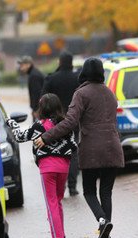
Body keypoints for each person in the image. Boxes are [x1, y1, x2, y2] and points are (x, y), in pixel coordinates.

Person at [35, 58, 124, 238]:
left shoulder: (81, 94)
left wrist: (46, 136)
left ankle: (102, 220)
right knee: (106, 192)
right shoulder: (110, 93)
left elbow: (69, 123)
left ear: (84, 72)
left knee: (89, 191)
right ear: (101, 73)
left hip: (92, 149)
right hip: (113, 147)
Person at [6, 93, 77, 238]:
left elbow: (19, 137)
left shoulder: (39, 126)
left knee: (51, 203)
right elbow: (72, 144)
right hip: (64, 167)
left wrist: (11, 122)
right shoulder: (65, 125)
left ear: (42, 108)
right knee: (57, 202)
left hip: (47, 169)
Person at [42, 51, 80, 196]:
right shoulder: (77, 78)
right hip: (73, 120)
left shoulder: (51, 79)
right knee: (73, 152)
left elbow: (43, 99)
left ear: (59, 62)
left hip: (55, 122)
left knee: (57, 153)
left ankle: (60, 187)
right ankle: (72, 186)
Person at [18, 55, 44, 121]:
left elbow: (37, 94)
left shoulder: (34, 76)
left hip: (39, 110)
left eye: (22, 65)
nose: (20, 68)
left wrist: (36, 110)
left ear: (28, 64)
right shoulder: (33, 73)